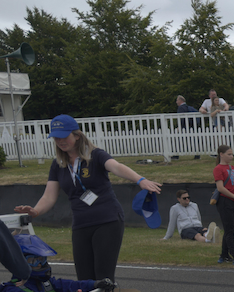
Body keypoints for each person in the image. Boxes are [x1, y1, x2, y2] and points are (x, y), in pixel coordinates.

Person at [14, 115, 162, 281]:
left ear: (77, 135)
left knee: (103, 278)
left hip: (107, 220)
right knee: (84, 280)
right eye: (56, 138)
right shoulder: (58, 164)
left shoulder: (96, 155)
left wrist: (140, 180)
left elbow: (116, 167)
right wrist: (35, 211)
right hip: (81, 224)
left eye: (64, 136)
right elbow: (49, 196)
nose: (60, 141)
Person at [0, 234, 116, 292]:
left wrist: (95, 284)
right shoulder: (11, 291)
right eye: (33, 260)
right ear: (18, 262)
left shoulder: (47, 283)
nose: (40, 264)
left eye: (42, 259)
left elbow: (70, 285)